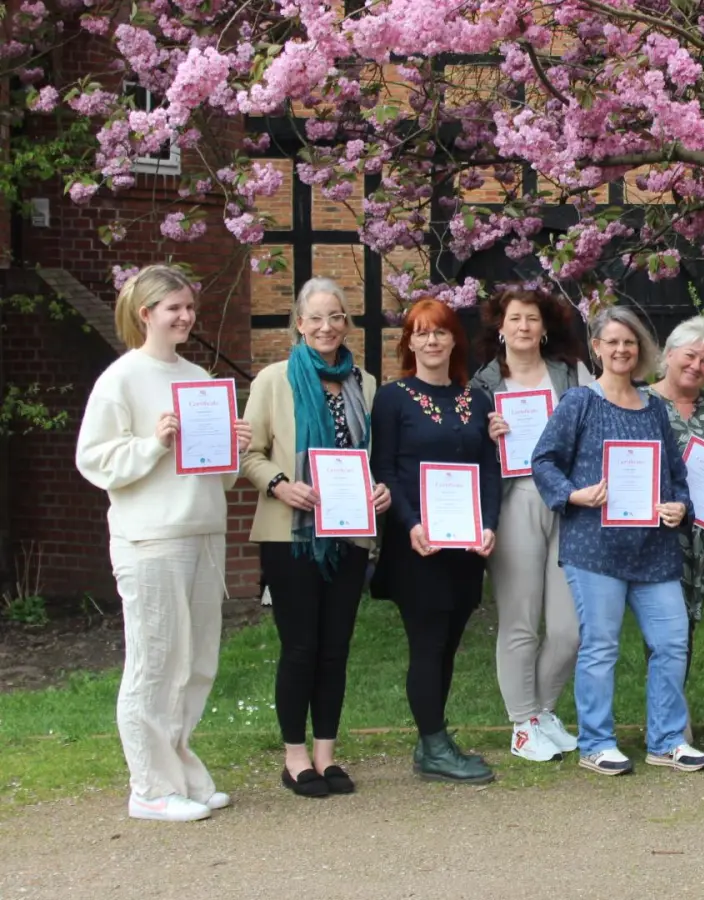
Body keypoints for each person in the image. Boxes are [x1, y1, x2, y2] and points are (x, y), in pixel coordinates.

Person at [75, 265, 251, 821]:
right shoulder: (121, 378)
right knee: (155, 662)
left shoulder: (198, 375)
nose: (184, 316)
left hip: (203, 531)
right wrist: (154, 442)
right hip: (150, 538)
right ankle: (149, 788)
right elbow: (95, 460)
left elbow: (215, 474)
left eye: (189, 307)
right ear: (145, 313)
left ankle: (180, 773)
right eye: (173, 307)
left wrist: (233, 443)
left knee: (196, 661)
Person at [531, 305, 704, 777]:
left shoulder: (655, 408)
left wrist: (679, 505)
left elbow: (676, 476)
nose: (622, 349)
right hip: (595, 549)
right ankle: (596, 743)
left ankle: (667, 740)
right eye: (613, 342)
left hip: (654, 549)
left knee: (672, 643)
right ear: (598, 348)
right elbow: (543, 461)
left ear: (641, 349)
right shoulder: (579, 403)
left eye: (630, 342)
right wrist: (573, 494)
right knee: (601, 646)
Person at [242, 277, 392, 797]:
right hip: (291, 537)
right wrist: (281, 486)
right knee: (301, 646)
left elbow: (376, 459)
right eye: (316, 318)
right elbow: (249, 453)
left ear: (346, 322)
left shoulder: (366, 384)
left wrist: (382, 491)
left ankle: (327, 754)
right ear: (299, 324)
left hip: (348, 536)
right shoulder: (273, 380)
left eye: (336, 317)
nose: (327, 327)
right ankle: (294, 757)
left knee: (336, 648)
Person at [370, 298, 501, 784]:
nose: (431, 341)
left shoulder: (477, 399)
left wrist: (490, 523)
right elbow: (384, 469)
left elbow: (489, 468)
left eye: (440, 332)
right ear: (408, 342)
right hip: (418, 545)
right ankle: (434, 744)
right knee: (426, 643)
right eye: (421, 333)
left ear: (454, 340)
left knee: (448, 644)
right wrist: (409, 525)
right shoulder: (393, 398)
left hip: (466, 546)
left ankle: (433, 742)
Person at [475, 286, 591, 764]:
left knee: (570, 629)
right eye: (515, 318)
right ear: (500, 328)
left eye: (533, 319)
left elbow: (594, 427)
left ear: (545, 329)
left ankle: (541, 713)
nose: (523, 327)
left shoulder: (570, 375)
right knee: (520, 621)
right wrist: (485, 435)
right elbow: (464, 452)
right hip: (515, 498)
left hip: (568, 500)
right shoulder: (481, 386)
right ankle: (523, 724)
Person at [646, 316, 704, 695]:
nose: (697, 366)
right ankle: (665, 716)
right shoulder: (639, 403)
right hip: (651, 536)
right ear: (669, 354)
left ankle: (672, 709)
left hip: (702, 538)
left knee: (684, 625)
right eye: (690, 355)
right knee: (661, 627)